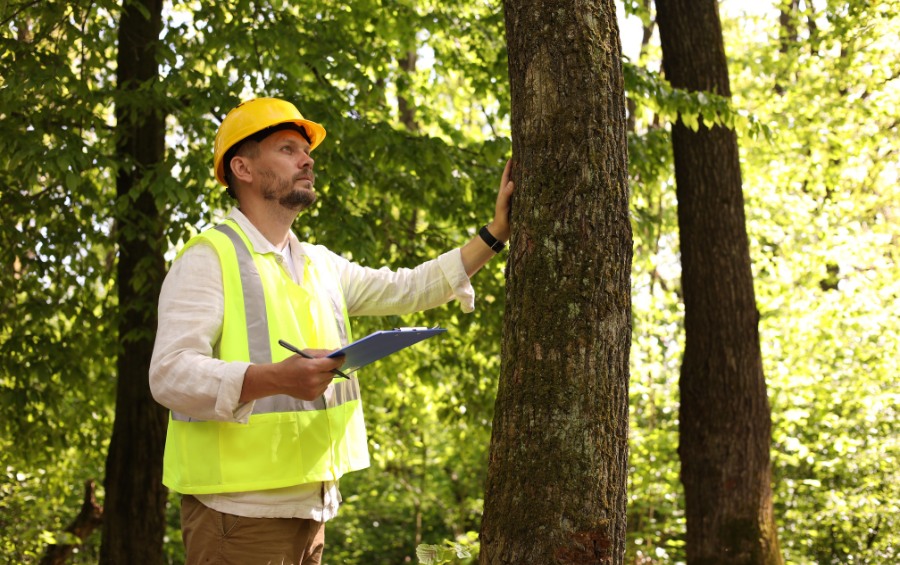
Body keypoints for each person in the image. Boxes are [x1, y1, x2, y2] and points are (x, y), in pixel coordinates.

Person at [149, 97, 513, 564]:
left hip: (313, 514)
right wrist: (275, 378)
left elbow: (410, 288)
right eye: (287, 149)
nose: (307, 160)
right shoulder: (207, 258)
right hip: (238, 519)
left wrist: (495, 233)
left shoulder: (320, 265)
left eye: (306, 151)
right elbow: (170, 374)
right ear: (242, 167)